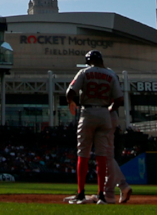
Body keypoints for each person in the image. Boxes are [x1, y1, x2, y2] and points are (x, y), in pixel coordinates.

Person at [64, 50, 122, 205]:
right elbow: (119, 99)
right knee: (101, 156)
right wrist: (108, 109)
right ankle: (101, 195)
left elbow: (70, 92)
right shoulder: (111, 74)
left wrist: (71, 102)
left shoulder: (84, 72)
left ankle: (81, 193)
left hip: (88, 112)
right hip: (104, 113)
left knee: (83, 154)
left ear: (88, 61)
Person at [103, 103, 133, 204]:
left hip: (104, 116)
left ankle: (109, 193)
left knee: (106, 157)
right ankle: (123, 186)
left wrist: (107, 110)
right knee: (107, 156)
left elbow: (118, 99)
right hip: (109, 116)